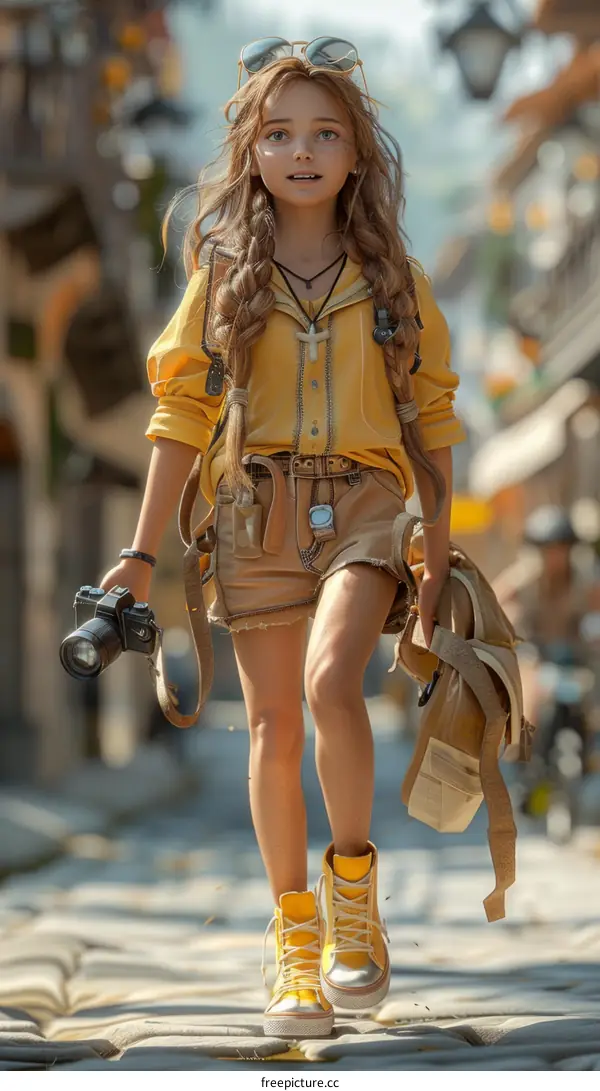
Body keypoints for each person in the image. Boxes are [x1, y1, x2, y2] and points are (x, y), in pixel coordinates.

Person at [99, 37, 466, 1037]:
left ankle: (356, 900)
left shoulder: (396, 281)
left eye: (325, 132)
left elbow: (432, 424)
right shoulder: (222, 278)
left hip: (368, 505)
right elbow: (178, 419)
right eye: (280, 132)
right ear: (252, 150)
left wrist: (436, 542)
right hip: (251, 512)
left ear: (357, 153)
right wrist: (137, 556)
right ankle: (294, 941)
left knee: (329, 680)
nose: (302, 150)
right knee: (271, 726)